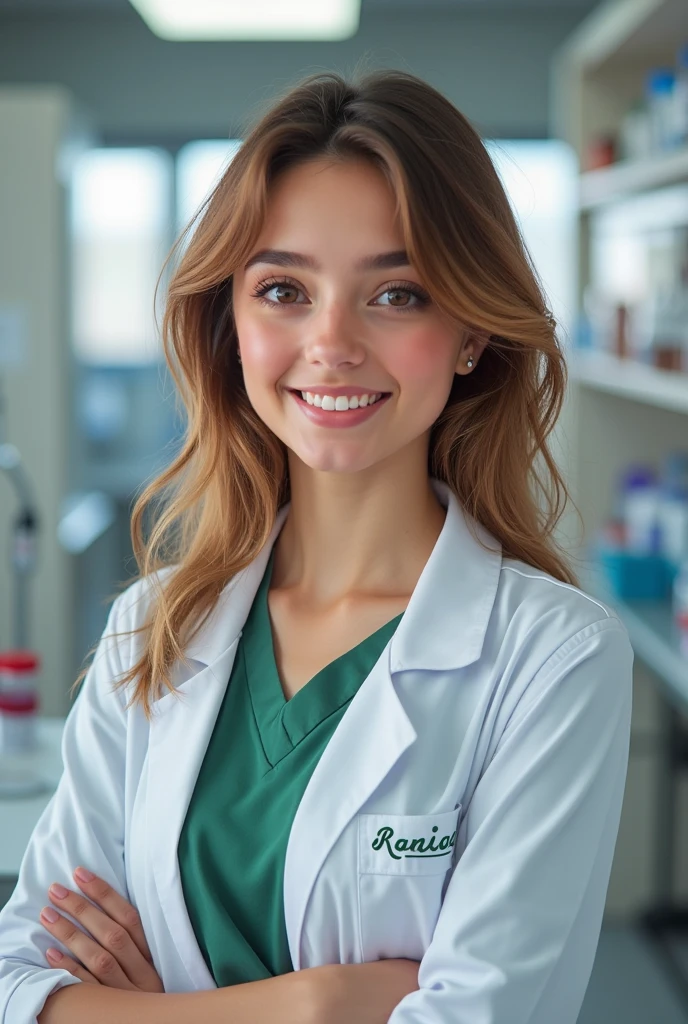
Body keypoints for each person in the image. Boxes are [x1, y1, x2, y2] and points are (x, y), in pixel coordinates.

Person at [0, 68, 633, 1024]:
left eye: (398, 293)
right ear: (232, 327)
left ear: (469, 332)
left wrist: (138, 1011)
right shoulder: (154, 628)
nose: (331, 343)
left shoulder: (554, 660)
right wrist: (325, 1003)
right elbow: (19, 983)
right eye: (285, 289)